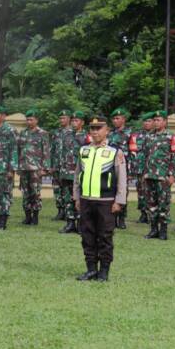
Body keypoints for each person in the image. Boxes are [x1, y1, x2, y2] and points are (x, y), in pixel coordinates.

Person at [74, 115, 128, 282]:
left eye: (99, 128)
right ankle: (91, 269)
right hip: (86, 200)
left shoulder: (115, 152)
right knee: (87, 235)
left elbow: (122, 178)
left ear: (107, 131)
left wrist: (119, 200)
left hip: (106, 202)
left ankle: (104, 271)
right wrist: (76, 197)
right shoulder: (84, 150)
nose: (95, 131)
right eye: (92, 128)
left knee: (105, 236)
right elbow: (77, 175)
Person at [142, 110, 175, 240]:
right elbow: (145, 156)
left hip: (163, 176)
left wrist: (172, 175)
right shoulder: (149, 136)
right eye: (154, 120)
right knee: (151, 204)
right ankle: (153, 230)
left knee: (163, 204)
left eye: (158, 120)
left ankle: (163, 231)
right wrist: (143, 173)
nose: (156, 122)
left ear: (165, 122)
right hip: (149, 175)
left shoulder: (171, 137)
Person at [58, 111, 90, 233]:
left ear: (82, 122)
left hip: (79, 172)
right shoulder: (66, 135)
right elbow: (62, 153)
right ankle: (70, 222)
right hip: (66, 171)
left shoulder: (86, 137)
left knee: (80, 198)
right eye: (73, 121)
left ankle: (81, 224)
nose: (74, 123)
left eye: (77, 121)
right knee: (68, 198)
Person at [18, 109, 51, 225]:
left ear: (36, 120)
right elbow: (19, 150)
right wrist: (18, 166)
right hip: (24, 167)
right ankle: (27, 216)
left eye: (31, 119)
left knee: (35, 193)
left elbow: (46, 152)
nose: (29, 121)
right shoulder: (22, 133)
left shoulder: (43, 133)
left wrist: (45, 168)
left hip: (36, 168)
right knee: (25, 192)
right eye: (27, 119)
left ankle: (35, 216)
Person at [108, 107, 133, 229]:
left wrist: (132, 170)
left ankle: (122, 218)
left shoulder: (130, 134)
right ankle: (112, 217)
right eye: (114, 118)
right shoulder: (110, 134)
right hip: (111, 167)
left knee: (123, 192)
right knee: (112, 191)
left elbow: (134, 152)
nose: (115, 121)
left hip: (124, 167)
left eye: (118, 118)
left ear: (124, 119)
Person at [128, 112, 154, 223]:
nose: (147, 123)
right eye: (145, 121)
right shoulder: (136, 136)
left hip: (153, 170)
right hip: (139, 168)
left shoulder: (157, 135)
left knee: (152, 192)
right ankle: (143, 214)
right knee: (141, 192)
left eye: (149, 121)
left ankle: (152, 214)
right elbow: (132, 152)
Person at [50, 110, 72, 221]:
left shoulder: (73, 132)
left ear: (69, 119)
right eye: (60, 118)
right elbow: (52, 150)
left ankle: (69, 211)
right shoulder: (56, 133)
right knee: (57, 189)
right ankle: (60, 211)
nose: (61, 120)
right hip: (57, 166)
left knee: (67, 190)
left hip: (68, 167)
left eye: (64, 118)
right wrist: (51, 165)